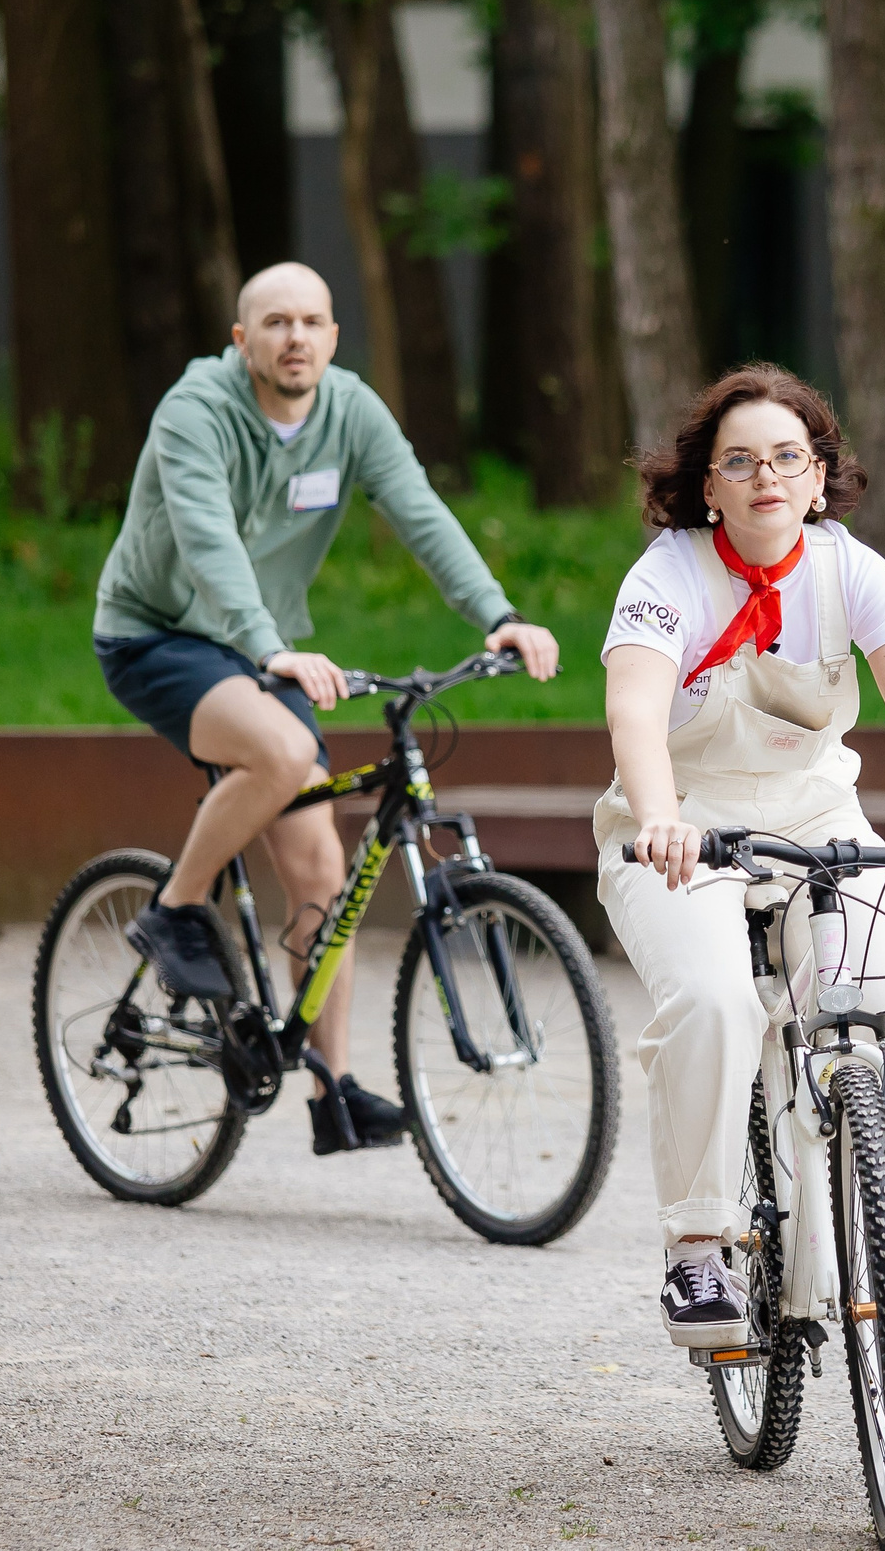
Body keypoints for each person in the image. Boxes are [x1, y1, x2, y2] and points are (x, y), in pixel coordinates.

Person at [596, 364, 885, 1348]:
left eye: (786, 458)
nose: (765, 477)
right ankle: (696, 1245)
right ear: (707, 485)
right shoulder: (667, 574)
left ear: (819, 478)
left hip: (818, 817)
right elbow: (634, 708)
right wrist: (656, 817)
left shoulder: (849, 568)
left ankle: (862, 1214)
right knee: (718, 1000)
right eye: (739, 462)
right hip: (684, 822)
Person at [93, 262, 560, 1152]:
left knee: (320, 874)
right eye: (274, 323)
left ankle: (332, 1088)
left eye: (311, 321)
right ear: (242, 340)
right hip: (159, 635)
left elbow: (423, 514)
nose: (294, 337)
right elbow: (206, 537)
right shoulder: (196, 410)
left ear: (334, 337)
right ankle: (175, 909)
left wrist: (500, 615)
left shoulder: (350, 410)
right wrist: (268, 645)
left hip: (268, 648)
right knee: (275, 752)